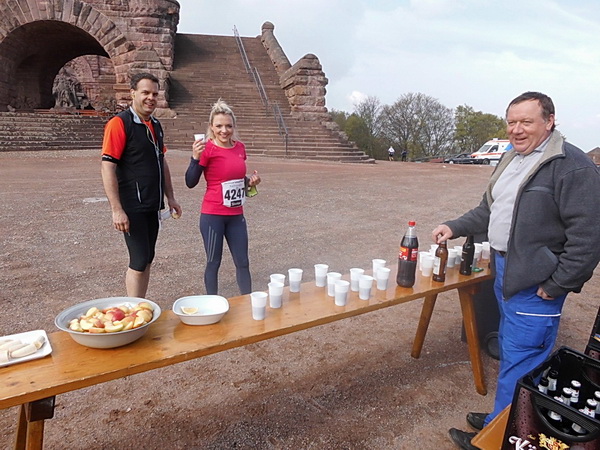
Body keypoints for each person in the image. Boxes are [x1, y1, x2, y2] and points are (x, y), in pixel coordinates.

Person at [431, 92, 600, 450]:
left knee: (522, 361)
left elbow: (589, 237)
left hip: (537, 283)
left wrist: (558, 284)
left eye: (526, 121)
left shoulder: (572, 166)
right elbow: (489, 211)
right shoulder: (512, 158)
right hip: (506, 272)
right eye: (511, 122)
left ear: (549, 121)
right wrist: (454, 226)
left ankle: (498, 439)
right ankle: (503, 418)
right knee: (512, 351)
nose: (516, 129)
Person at [101, 72, 182, 298]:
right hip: (132, 205)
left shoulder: (155, 125)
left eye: (155, 94)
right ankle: (134, 309)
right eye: (145, 92)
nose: (151, 98)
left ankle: (140, 304)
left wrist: (171, 197)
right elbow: (107, 166)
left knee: (147, 258)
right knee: (138, 261)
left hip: (151, 204)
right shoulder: (120, 123)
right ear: (133, 93)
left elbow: (161, 161)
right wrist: (117, 209)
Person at [185, 99, 261, 295]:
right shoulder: (206, 149)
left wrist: (250, 182)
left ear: (233, 126)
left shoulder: (240, 148)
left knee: (243, 262)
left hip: (236, 216)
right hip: (213, 216)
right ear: (211, 127)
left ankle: (248, 302)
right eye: (219, 126)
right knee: (213, 262)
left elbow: (237, 179)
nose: (224, 131)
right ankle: (212, 303)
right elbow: (190, 181)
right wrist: (195, 158)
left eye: (228, 126)